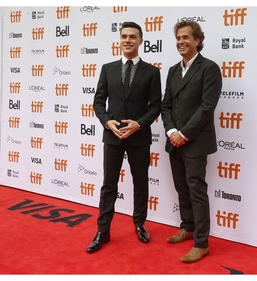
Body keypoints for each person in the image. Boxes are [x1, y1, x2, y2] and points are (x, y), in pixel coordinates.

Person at [87, 21, 162, 253]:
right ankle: (103, 230)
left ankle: (139, 224)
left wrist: (138, 124)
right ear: (119, 40)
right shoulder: (107, 68)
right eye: (124, 36)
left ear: (141, 41)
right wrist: (106, 121)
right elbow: (98, 101)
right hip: (113, 136)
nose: (128, 40)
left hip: (139, 137)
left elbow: (156, 105)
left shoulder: (152, 72)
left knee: (140, 183)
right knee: (109, 185)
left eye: (133, 36)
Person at [161, 20, 222, 263]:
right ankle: (187, 226)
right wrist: (171, 132)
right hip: (174, 139)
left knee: (196, 189)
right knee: (181, 187)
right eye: (178, 38)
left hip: (195, 141)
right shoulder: (173, 70)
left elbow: (207, 108)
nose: (181, 42)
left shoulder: (209, 68)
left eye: (186, 37)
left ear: (197, 40)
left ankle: (202, 242)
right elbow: (166, 105)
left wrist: (183, 134)